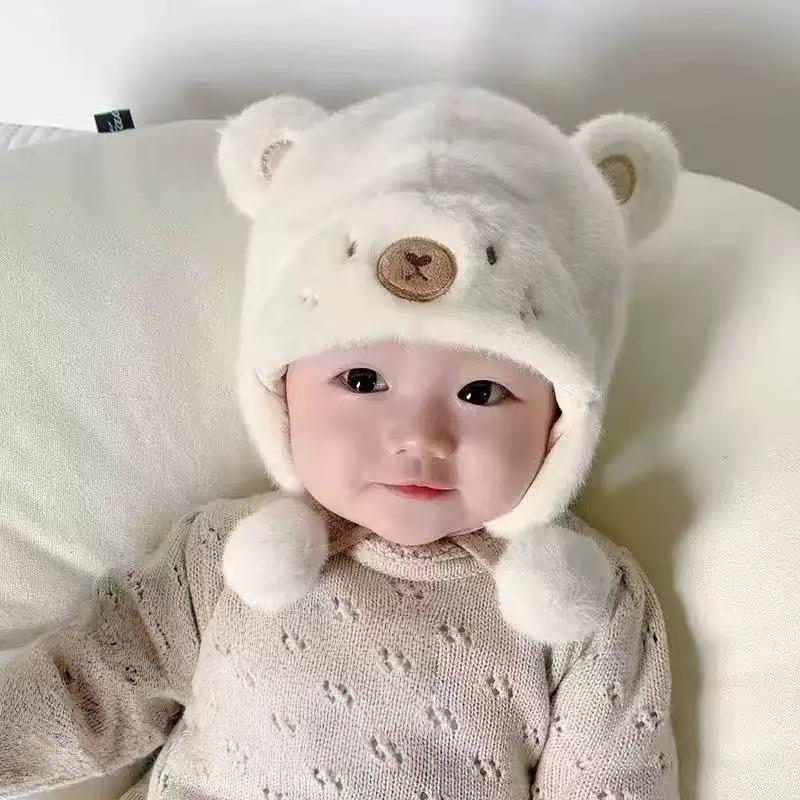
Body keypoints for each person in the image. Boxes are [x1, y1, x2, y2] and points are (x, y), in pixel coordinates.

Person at [0, 83, 681, 799]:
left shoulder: (588, 608)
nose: (420, 437)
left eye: (481, 393)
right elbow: (90, 687)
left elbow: (616, 781)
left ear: (560, 424)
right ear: (281, 395)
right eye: (362, 380)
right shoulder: (220, 558)